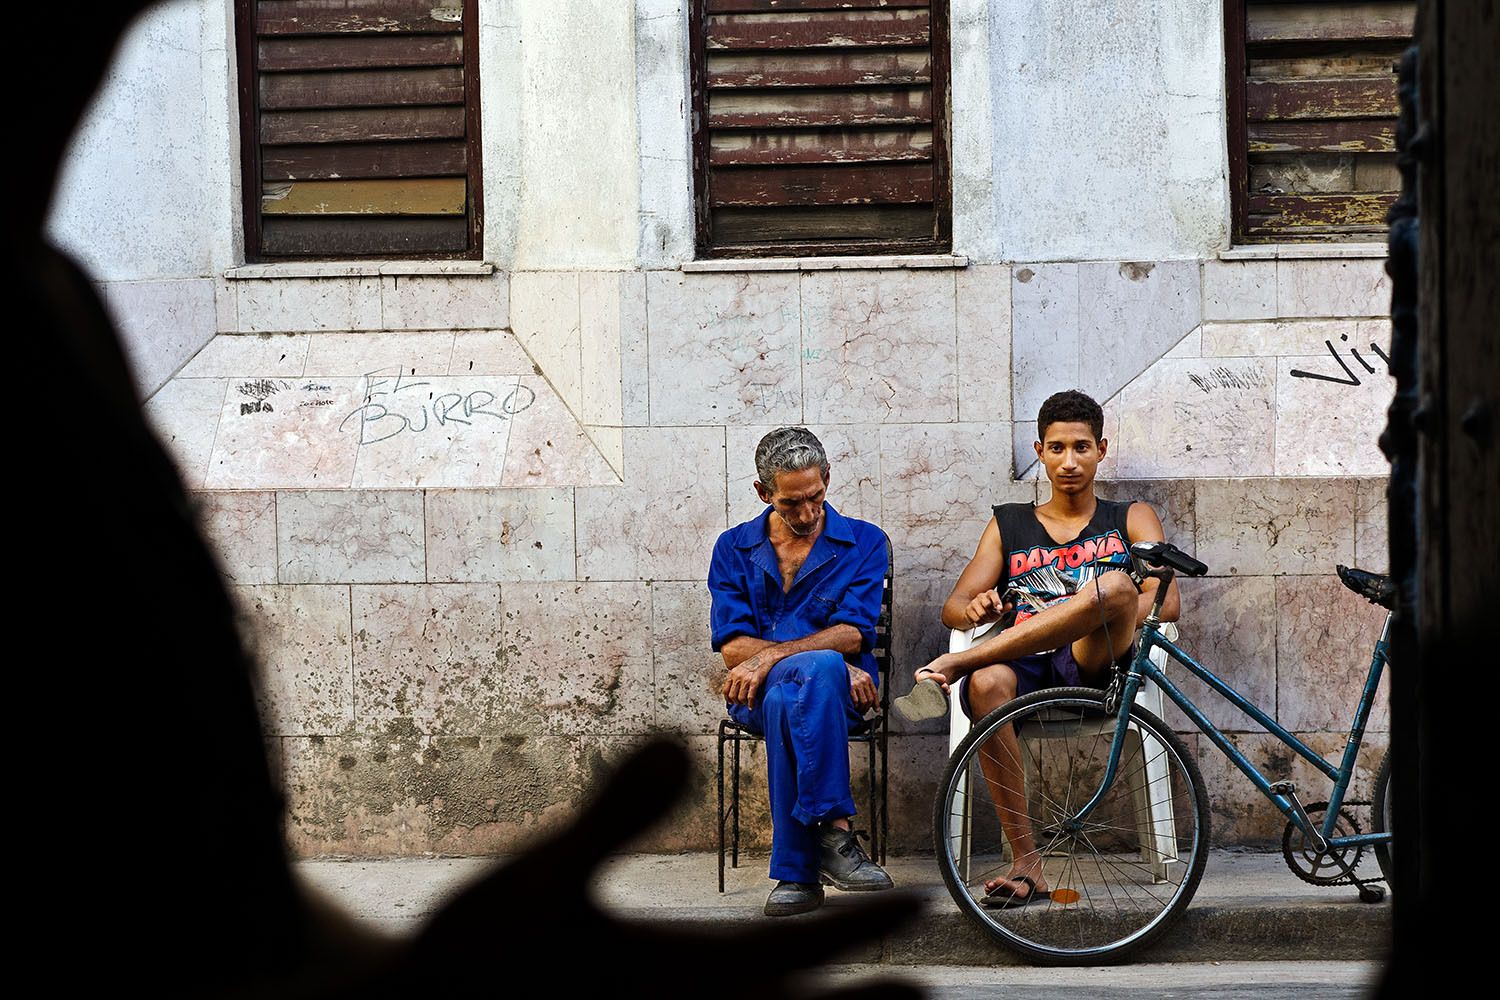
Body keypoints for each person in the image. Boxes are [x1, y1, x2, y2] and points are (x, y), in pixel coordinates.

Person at [896, 389, 1180, 908]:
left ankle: (958, 663)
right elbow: (954, 607)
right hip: (1022, 665)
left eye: (1081, 447)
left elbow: (1165, 600)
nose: (1068, 461)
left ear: (1101, 449)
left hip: (1095, 660)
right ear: (1039, 450)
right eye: (1056, 448)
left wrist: (1095, 613)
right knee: (987, 683)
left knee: (1118, 588)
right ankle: (1028, 865)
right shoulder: (1009, 523)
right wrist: (977, 609)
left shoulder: (1130, 516)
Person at [709, 427, 896, 916]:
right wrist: (826, 659)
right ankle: (835, 834)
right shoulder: (732, 548)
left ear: (828, 478)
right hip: (755, 693)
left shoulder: (864, 542)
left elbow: (854, 635)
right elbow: (733, 649)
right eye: (791, 504)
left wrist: (773, 657)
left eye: (815, 496)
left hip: (841, 701)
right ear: (763, 493)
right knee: (814, 670)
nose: (808, 514)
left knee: (794, 693)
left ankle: (795, 874)